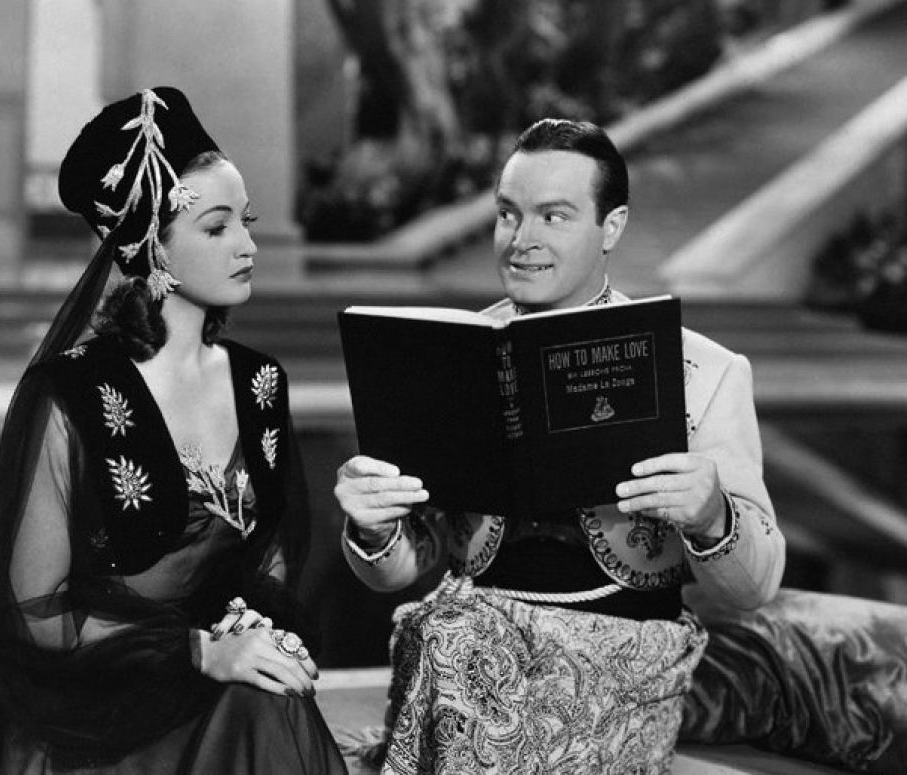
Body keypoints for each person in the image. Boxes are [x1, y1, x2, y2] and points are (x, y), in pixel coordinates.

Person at [334, 118, 786, 774]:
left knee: (452, 642)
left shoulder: (703, 371)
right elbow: (405, 565)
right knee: (450, 635)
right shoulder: (449, 359)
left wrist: (713, 515)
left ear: (611, 226)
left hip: (622, 665)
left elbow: (757, 585)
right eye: (508, 214)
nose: (523, 240)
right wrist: (373, 527)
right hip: (470, 651)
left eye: (553, 216)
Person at [0, 87, 347, 774]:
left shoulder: (260, 382)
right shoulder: (69, 396)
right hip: (98, 710)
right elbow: (33, 614)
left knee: (270, 698)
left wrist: (252, 633)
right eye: (217, 228)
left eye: (246, 221)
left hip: (218, 690)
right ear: (151, 247)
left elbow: (269, 558)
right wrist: (197, 650)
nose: (249, 245)